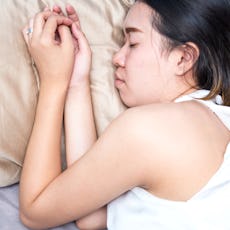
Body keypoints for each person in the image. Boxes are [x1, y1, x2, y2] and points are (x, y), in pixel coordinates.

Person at [19, 0, 230, 229]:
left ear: (183, 58)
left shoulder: (151, 128)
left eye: (133, 43)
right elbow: (93, 217)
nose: (116, 58)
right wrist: (76, 83)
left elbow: (35, 211)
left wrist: (53, 80)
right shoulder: (216, 122)